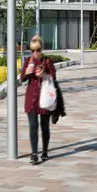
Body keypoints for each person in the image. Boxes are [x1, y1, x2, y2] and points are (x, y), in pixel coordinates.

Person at [20, 35, 57, 165]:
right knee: (33, 126)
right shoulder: (28, 61)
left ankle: (45, 151)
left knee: (44, 126)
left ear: (42, 49)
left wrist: (44, 74)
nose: (35, 53)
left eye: (38, 50)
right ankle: (34, 153)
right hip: (31, 98)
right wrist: (27, 72)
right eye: (33, 50)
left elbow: (53, 77)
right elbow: (22, 79)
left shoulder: (47, 61)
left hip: (45, 97)